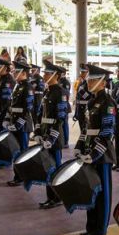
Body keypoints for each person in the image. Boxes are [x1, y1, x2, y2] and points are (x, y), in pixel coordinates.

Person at [74, 64, 116, 235]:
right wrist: (79, 146)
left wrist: (94, 155)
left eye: (92, 79)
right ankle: (90, 226)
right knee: (91, 190)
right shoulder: (91, 102)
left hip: (102, 155)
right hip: (89, 152)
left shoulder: (108, 103)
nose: (88, 82)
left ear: (102, 82)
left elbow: (107, 133)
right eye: (89, 79)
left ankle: (100, 229)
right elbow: (86, 129)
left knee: (103, 194)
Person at [33, 61, 67, 209]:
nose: (44, 75)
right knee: (48, 167)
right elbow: (41, 114)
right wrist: (38, 131)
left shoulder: (60, 92)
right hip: (46, 135)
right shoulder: (48, 91)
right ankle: (50, 197)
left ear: (55, 75)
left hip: (54, 138)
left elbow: (60, 118)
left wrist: (51, 137)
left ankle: (57, 197)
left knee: (55, 169)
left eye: (47, 73)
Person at [6, 60, 34, 187]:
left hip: (22, 126)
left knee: (22, 151)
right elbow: (12, 106)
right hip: (15, 123)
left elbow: (28, 109)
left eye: (16, 71)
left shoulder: (27, 87)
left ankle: (22, 176)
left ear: (23, 73)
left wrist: (18, 124)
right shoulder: (18, 86)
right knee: (16, 150)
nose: (14, 72)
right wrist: (8, 120)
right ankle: (18, 175)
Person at [73, 64, 92, 132]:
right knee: (82, 129)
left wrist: (82, 93)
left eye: (84, 72)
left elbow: (90, 97)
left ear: (88, 72)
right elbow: (78, 98)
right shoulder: (81, 83)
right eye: (81, 72)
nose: (81, 74)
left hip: (86, 109)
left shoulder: (89, 83)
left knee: (86, 130)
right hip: (80, 109)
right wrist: (76, 113)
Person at [30, 64, 45, 139]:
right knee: (33, 116)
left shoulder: (40, 79)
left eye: (33, 70)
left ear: (37, 70)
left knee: (37, 116)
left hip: (38, 98)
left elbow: (40, 89)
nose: (32, 71)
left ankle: (38, 133)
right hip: (33, 98)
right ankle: (35, 132)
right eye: (32, 70)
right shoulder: (32, 78)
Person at [59, 68, 71, 148]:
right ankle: (62, 141)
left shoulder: (66, 82)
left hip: (64, 105)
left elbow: (66, 93)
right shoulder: (59, 81)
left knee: (65, 124)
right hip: (59, 105)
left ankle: (66, 141)